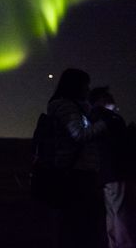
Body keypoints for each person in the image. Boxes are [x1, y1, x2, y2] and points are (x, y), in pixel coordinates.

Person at [47, 68, 107, 248]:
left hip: (77, 173)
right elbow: (79, 134)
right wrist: (105, 124)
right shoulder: (66, 106)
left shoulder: (72, 106)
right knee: (81, 226)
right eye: (85, 85)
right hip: (77, 175)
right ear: (76, 86)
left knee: (75, 226)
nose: (88, 89)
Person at [89, 87, 136, 248]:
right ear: (100, 100)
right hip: (117, 169)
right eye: (108, 96)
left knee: (113, 212)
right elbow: (119, 145)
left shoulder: (95, 118)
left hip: (107, 172)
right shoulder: (110, 118)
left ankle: (115, 243)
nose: (112, 98)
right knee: (122, 212)